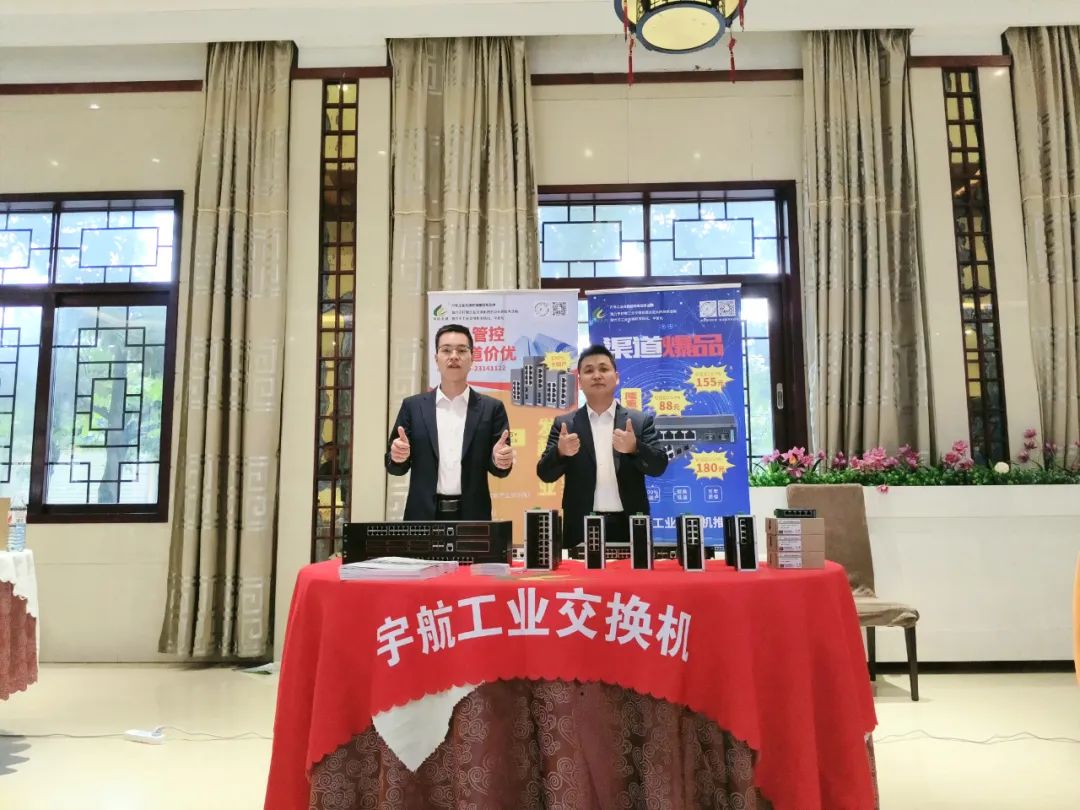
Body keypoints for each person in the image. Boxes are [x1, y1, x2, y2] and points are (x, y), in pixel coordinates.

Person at [537, 344, 668, 547]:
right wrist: (560, 452)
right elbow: (545, 474)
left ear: (617, 377)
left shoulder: (639, 421)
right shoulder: (565, 425)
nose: (597, 375)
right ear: (579, 382)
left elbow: (659, 466)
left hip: (630, 525)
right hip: (580, 526)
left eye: (604, 369)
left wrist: (635, 448)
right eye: (589, 370)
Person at [386, 323, 514, 520]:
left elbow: (500, 470)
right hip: (423, 516)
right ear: (436, 359)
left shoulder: (492, 409)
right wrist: (397, 457)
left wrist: (500, 460)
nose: (454, 356)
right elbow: (394, 467)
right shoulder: (413, 407)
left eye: (461, 350)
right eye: (446, 350)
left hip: (473, 518)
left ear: (472, 358)